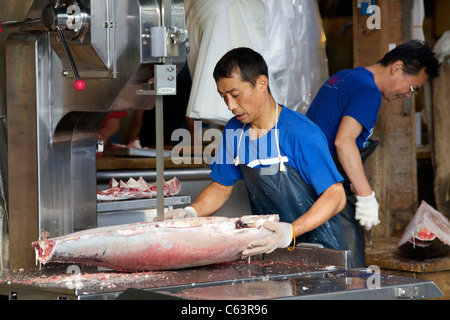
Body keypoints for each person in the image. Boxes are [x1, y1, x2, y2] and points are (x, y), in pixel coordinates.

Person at [165, 47, 348, 258]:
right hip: (269, 248)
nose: (230, 106)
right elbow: (221, 187)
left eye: (235, 95)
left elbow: (336, 196)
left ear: (262, 83)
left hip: (321, 251)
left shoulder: (300, 133)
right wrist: (191, 212)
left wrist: (290, 232)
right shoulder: (235, 131)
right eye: (223, 97)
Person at [306, 40, 440, 267]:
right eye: (412, 87)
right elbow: (343, 142)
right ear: (396, 68)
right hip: (322, 189)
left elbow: (324, 133)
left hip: (310, 180)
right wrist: (367, 196)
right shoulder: (369, 91)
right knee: (350, 272)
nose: (409, 95)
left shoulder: (344, 77)